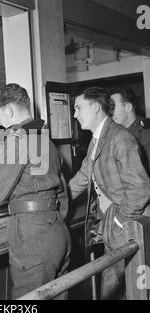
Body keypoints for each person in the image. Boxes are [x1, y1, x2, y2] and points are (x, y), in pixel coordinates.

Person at [0, 83, 71, 299]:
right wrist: (50, 220)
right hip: (57, 230)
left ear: (9, 110)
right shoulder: (45, 139)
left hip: (31, 233)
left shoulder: (17, 139)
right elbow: (62, 193)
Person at [69, 87, 150, 299]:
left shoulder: (120, 137)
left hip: (127, 224)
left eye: (78, 108)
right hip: (113, 224)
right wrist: (56, 198)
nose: (75, 114)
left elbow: (140, 188)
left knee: (124, 289)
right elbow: (83, 177)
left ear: (95, 107)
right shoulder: (97, 139)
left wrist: (120, 222)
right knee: (115, 287)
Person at [109, 86, 150, 176]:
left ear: (128, 107)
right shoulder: (113, 134)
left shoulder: (146, 134)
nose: (110, 113)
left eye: (113, 108)